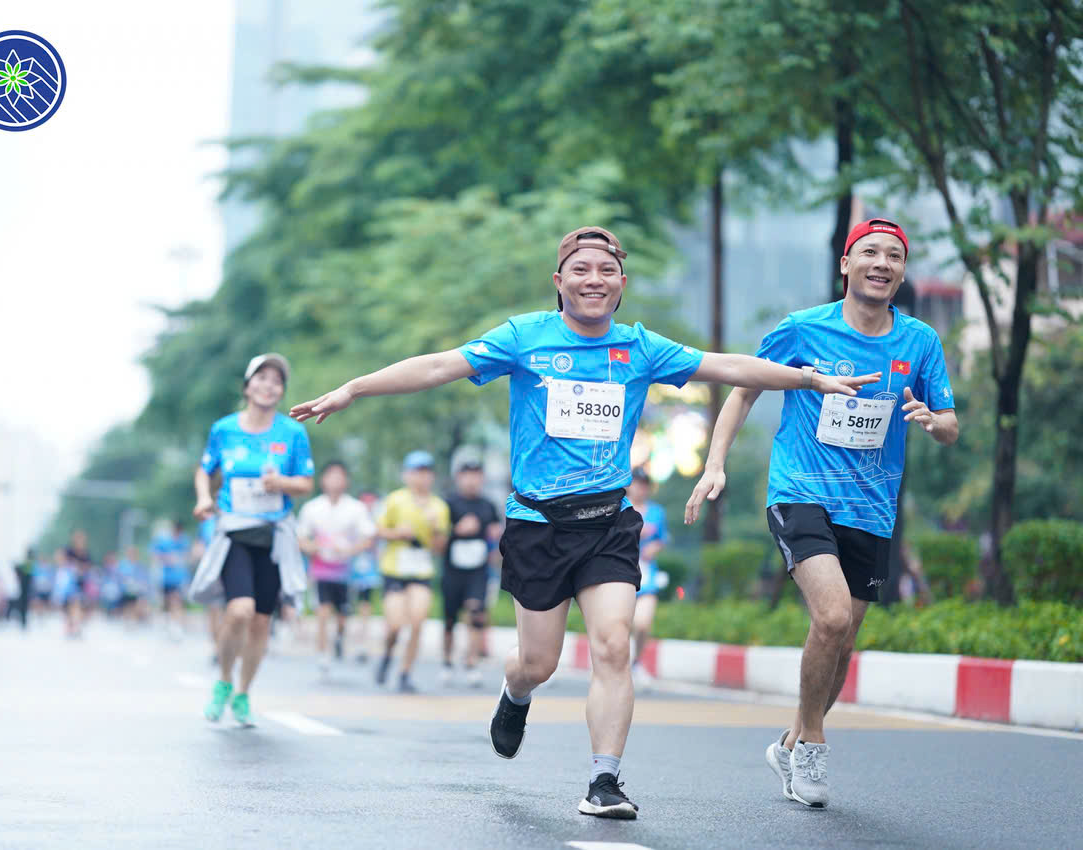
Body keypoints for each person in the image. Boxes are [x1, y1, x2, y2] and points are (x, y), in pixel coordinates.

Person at [291, 226, 877, 818]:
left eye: (605, 271)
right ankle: (515, 689)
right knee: (538, 662)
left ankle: (605, 780)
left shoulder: (640, 347)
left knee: (613, 644)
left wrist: (808, 378)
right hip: (538, 525)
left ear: (621, 283)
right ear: (559, 281)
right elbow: (440, 365)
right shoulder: (524, 337)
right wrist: (354, 389)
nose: (593, 280)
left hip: (608, 524)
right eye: (581, 270)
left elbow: (725, 366)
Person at [685, 218, 958, 809]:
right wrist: (715, 463)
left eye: (894, 256)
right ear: (845, 264)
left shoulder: (920, 342)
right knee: (831, 618)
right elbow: (744, 389)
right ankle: (812, 744)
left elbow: (950, 423)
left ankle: (788, 742)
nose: (882, 263)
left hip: (872, 508)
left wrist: (935, 423)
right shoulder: (803, 328)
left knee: (843, 641)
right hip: (801, 492)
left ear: (902, 272)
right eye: (870, 253)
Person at [192, 353, 313, 727]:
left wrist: (282, 483)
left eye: (276, 381)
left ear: (282, 391)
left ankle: (243, 693)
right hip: (235, 532)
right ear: (247, 386)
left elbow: (306, 483)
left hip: (274, 535)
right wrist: (203, 498)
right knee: (239, 610)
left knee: (261, 621)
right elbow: (204, 469)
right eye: (261, 378)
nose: (268, 385)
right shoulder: (224, 429)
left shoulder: (293, 433)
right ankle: (223, 680)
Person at [374, 451, 449, 693]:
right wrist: (398, 533)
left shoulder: (439, 507)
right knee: (395, 625)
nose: (421, 477)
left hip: (421, 572)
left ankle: (405, 672)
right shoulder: (395, 500)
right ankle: (387, 653)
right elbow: (378, 531)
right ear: (406, 475)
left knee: (417, 621)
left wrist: (435, 528)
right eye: (417, 472)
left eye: (426, 472)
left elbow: (440, 548)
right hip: (395, 570)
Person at [297, 460, 376, 674]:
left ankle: (340, 636)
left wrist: (349, 550)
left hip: (346, 571)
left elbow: (368, 538)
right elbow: (301, 538)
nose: (335, 481)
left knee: (342, 615)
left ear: (346, 481)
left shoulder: (356, 509)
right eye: (331, 476)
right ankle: (323, 653)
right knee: (322, 611)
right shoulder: (312, 508)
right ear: (323, 480)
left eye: (339, 476)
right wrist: (312, 547)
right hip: (321, 569)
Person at [440, 459, 501, 688]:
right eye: (467, 475)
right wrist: (457, 530)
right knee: (450, 619)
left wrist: (496, 541)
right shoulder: (448, 504)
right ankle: (447, 661)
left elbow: (495, 534)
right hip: (452, 569)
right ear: (459, 477)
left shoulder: (488, 506)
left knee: (476, 613)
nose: (472, 480)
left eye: (476, 475)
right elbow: (438, 538)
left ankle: (471, 663)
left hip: (478, 570)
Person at [627, 469, 668, 693]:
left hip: (646, 574)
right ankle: (617, 664)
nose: (640, 488)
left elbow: (662, 538)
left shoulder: (656, 512)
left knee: (643, 623)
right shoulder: (620, 508)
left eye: (644, 484)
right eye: (637, 483)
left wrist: (655, 546)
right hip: (619, 573)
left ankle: (636, 662)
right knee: (619, 624)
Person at [347, 490, 383, 664]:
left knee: (365, 602)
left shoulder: (378, 521)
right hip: (349, 567)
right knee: (348, 603)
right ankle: (345, 635)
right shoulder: (352, 519)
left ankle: (361, 640)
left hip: (369, 569)